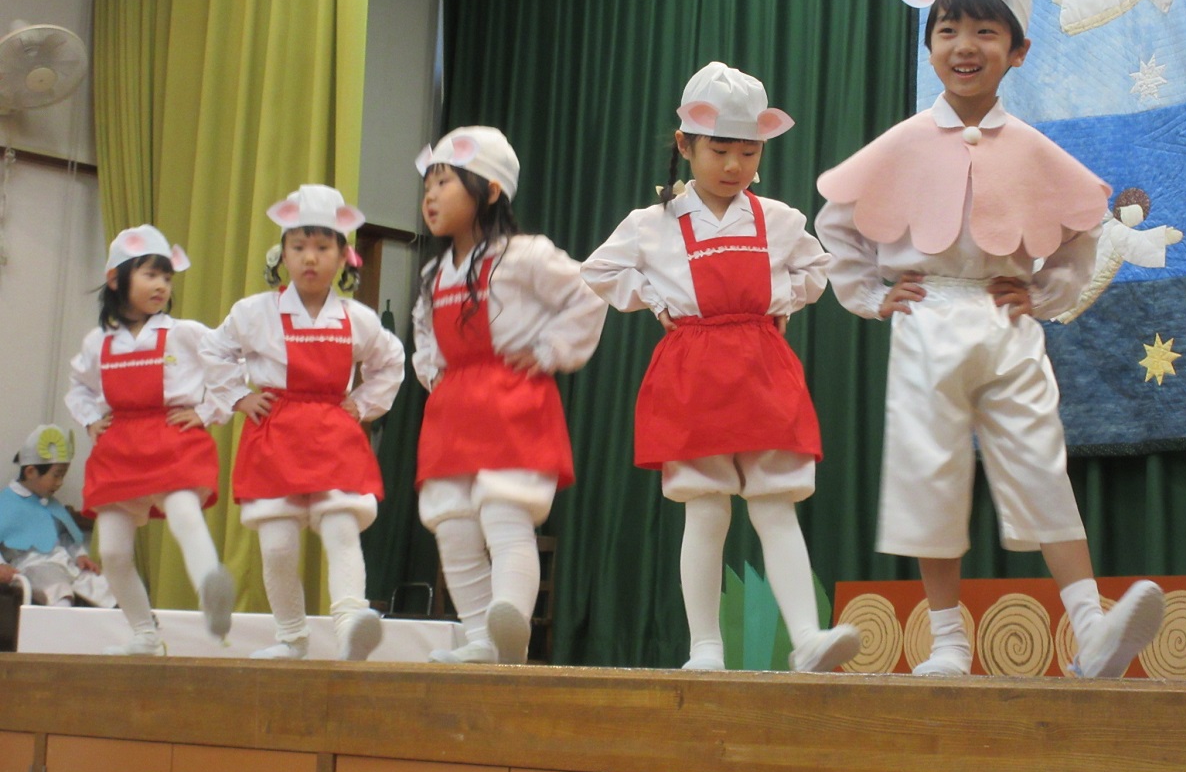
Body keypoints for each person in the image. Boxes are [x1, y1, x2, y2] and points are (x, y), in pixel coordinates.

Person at [815, 0, 1164, 677]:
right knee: (928, 471)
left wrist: (1044, 295)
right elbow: (836, 225)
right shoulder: (903, 142)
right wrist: (873, 295)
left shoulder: (1033, 148)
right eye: (947, 30)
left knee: (1040, 462)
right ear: (929, 47)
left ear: (1017, 50)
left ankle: (1092, 629)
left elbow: (1083, 233)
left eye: (984, 31)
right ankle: (947, 639)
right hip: (929, 313)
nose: (964, 45)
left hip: (1005, 321)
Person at [582, 63, 861, 672]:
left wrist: (780, 301)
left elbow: (817, 269)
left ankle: (807, 638)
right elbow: (598, 270)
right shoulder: (652, 223)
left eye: (748, 151)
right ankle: (705, 647)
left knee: (775, 501)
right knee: (706, 507)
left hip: (762, 368)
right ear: (685, 145)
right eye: (719, 150)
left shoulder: (779, 219)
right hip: (693, 370)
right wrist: (655, 300)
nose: (734, 165)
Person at [413, 127, 606, 664]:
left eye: (445, 183)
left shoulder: (524, 255)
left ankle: (510, 630)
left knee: (505, 516)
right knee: (453, 526)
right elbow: (424, 333)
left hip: (511, 399)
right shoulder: (434, 273)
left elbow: (588, 293)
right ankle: (481, 639)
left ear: (491, 190)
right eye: (427, 185)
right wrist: (433, 372)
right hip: (454, 407)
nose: (431, 196)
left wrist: (549, 349)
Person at [201, 185, 405, 661]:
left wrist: (362, 403)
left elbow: (390, 360)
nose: (310, 258)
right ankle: (292, 637)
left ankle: (351, 626)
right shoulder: (254, 312)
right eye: (298, 247)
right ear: (283, 254)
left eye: (322, 247)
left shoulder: (357, 318)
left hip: (333, 433)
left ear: (343, 256)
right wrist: (239, 396)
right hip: (275, 433)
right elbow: (213, 349)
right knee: (276, 545)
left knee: (341, 528)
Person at [66, 226, 234, 655]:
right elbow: (79, 387)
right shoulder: (97, 342)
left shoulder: (184, 332)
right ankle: (144, 633)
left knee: (184, 512)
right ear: (115, 279)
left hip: (172, 437)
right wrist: (90, 421)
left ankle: (211, 587)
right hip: (119, 447)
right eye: (150, 275)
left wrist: (206, 412)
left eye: (167, 277)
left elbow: (231, 367)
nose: (161, 285)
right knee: (113, 552)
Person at [0, 425, 116, 608]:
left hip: (66, 564)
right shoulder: (5, 503)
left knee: (107, 587)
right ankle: (61, 624)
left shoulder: (51, 504)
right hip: (32, 567)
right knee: (59, 592)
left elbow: (64, 536)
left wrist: (80, 555)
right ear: (30, 472)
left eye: (63, 476)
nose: (60, 483)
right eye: (56, 476)